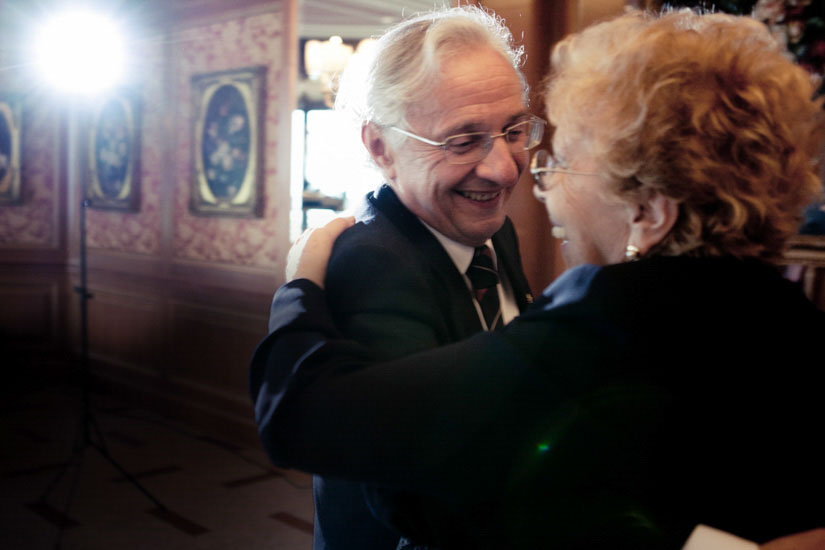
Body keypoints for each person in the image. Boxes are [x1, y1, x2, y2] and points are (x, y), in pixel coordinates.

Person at [252, 8, 825, 549]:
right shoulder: (787, 311)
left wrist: (299, 279)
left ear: (651, 213)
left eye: (562, 161)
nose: (521, 176)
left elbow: (406, 484)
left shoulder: (613, 318)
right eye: (462, 139)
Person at [294, 7, 535, 550]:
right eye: (462, 140)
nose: (503, 169)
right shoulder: (370, 267)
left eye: (514, 130)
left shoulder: (493, 229)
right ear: (380, 147)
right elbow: (421, 497)